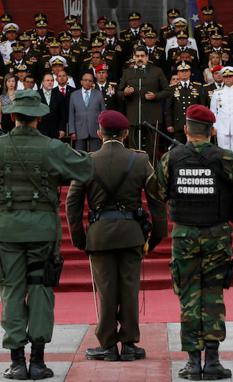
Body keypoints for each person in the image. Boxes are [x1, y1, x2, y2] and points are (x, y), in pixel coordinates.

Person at [0, 89, 93, 380]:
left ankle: (17, 362)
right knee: (40, 290)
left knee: (12, 291)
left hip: (8, 231)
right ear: (38, 119)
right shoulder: (53, 147)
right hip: (42, 230)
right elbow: (86, 169)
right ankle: (38, 361)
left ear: (13, 116)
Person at [146, 104, 233, 381]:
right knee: (213, 294)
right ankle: (213, 360)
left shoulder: (172, 158)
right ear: (212, 131)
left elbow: (156, 190)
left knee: (188, 296)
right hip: (216, 235)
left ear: (186, 129)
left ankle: (193, 362)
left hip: (184, 235)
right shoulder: (226, 157)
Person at [65, 110, 167, 362]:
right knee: (130, 288)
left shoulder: (87, 161)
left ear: (99, 133)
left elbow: (72, 203)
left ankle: (108, 344)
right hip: (132, 234)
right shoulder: (140, 160)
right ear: (125, 133)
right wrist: (156, 237)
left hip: (100, 235)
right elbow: (157, 201)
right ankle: (130, 343)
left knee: (107, 289)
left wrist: (79, 238)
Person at [118, 46, 171, 158]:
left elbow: (167, 91)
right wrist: (125, 93)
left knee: (152, 149)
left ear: (147, 57)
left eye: (142, 56)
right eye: (137, 56)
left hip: (152, 115)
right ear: (133, 57)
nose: (140, 58)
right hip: (133, 116)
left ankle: (152, 172)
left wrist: (155, 96)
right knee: (133, 149)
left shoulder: (157, 71)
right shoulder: (127, 72)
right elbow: (119, 93)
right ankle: (135, 173)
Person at [165, 62, 207, 144]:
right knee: (178, 148)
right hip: (178, 124)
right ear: (178, 73)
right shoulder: (172, 88)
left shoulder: (198, 87)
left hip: (194, 123)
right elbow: (168, 108)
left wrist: (202, 123)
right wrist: (169, 124)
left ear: (190, 73)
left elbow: (202, 107)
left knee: (194, 148)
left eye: (186, 71)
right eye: (182, 71)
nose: (184, 73)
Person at [68, 73, 106, 151]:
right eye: (85, 80)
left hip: (95, 130)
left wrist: (103, 130)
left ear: (92, 83)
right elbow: (71, 114)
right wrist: (72, 131)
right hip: (79, 130)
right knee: (79, 156)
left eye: (90, 81)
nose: (87, 82)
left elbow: (103, 114)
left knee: (96, 155)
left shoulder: (98, 94)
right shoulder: (74, 95)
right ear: (81, 82)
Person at [38, 73, 67, 139]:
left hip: (55, 130)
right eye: (47, 80)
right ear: (42, 82)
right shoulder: (36, 95)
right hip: (40, 130)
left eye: (52, 80)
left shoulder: (59, 95)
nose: (50, 82)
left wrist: (62, 129)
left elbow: (62, 114)